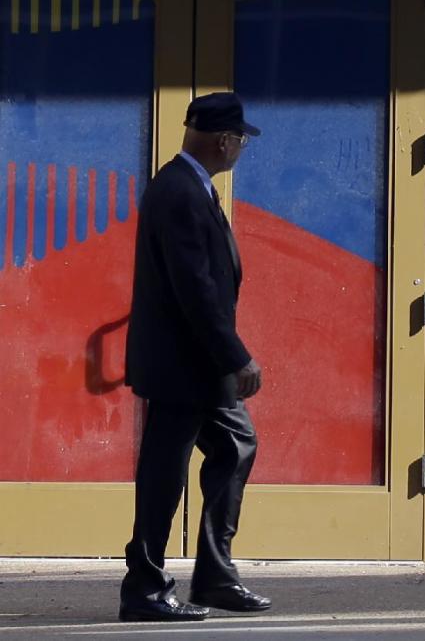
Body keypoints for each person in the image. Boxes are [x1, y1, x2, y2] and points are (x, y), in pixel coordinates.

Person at [118, 91, 271, 623]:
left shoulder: (189, 187)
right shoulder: (180, 191)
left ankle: (214, 575)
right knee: (165, 470)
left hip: (196, 364)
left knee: (235, 445)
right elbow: (195, 287)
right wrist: (236, 356)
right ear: (223, 140)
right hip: (184, 365)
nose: (241, 149)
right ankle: (145, 586)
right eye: (241, 140)